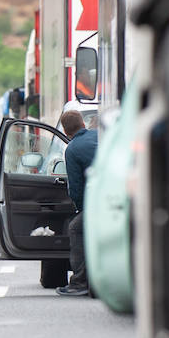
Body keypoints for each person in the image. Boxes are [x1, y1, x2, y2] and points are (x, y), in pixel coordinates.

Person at [58, 108, 97, 296]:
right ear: (83, 123)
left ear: (66, 132)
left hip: (98, 204)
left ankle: (80, 281)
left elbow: (76, 188)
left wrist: (82, 210)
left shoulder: (72, 149)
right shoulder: (100, 136)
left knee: (75, 227)